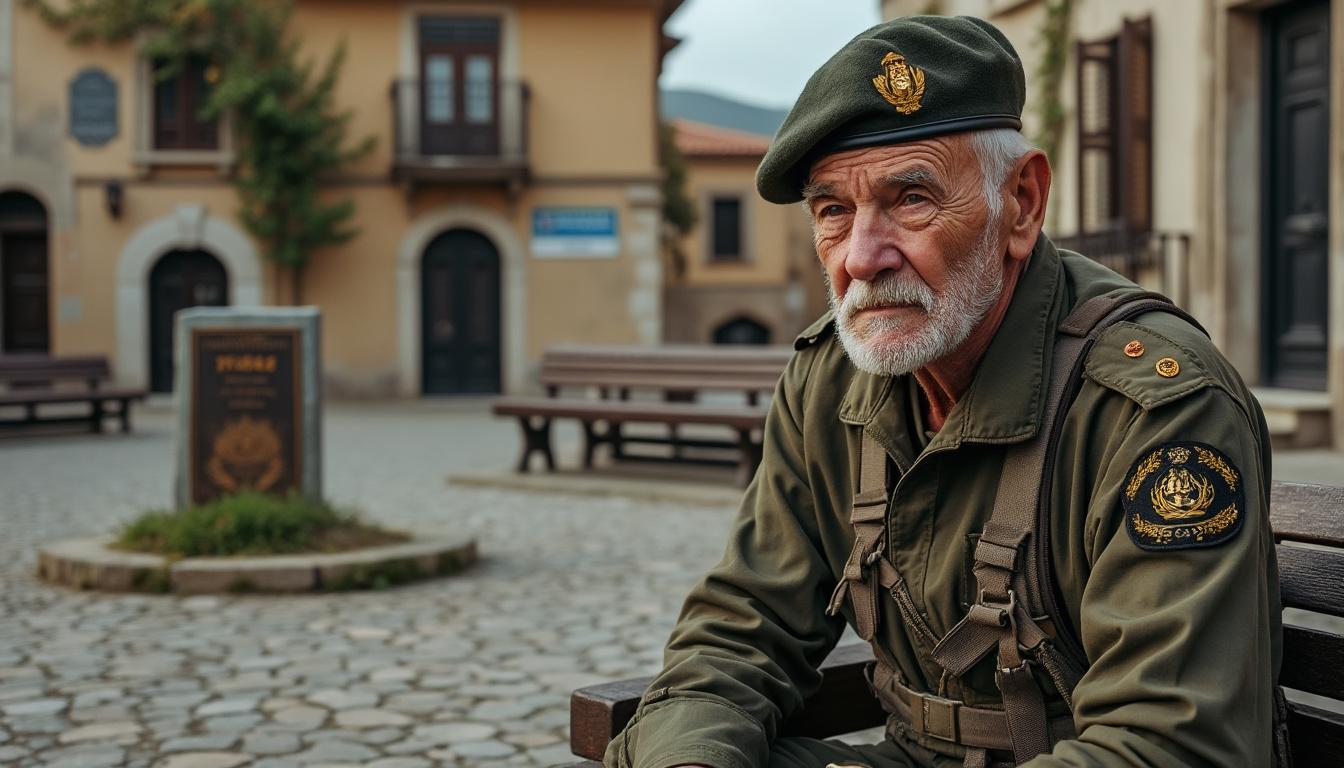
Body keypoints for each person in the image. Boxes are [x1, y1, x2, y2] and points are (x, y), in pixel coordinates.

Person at [606, 14, 1282, 768]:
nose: (861, 258)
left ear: (1021, 203)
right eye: (833, 211)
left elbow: (1171, 744)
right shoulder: (831, 378)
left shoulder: (1155, 407)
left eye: (911, 198)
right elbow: (740, 629)